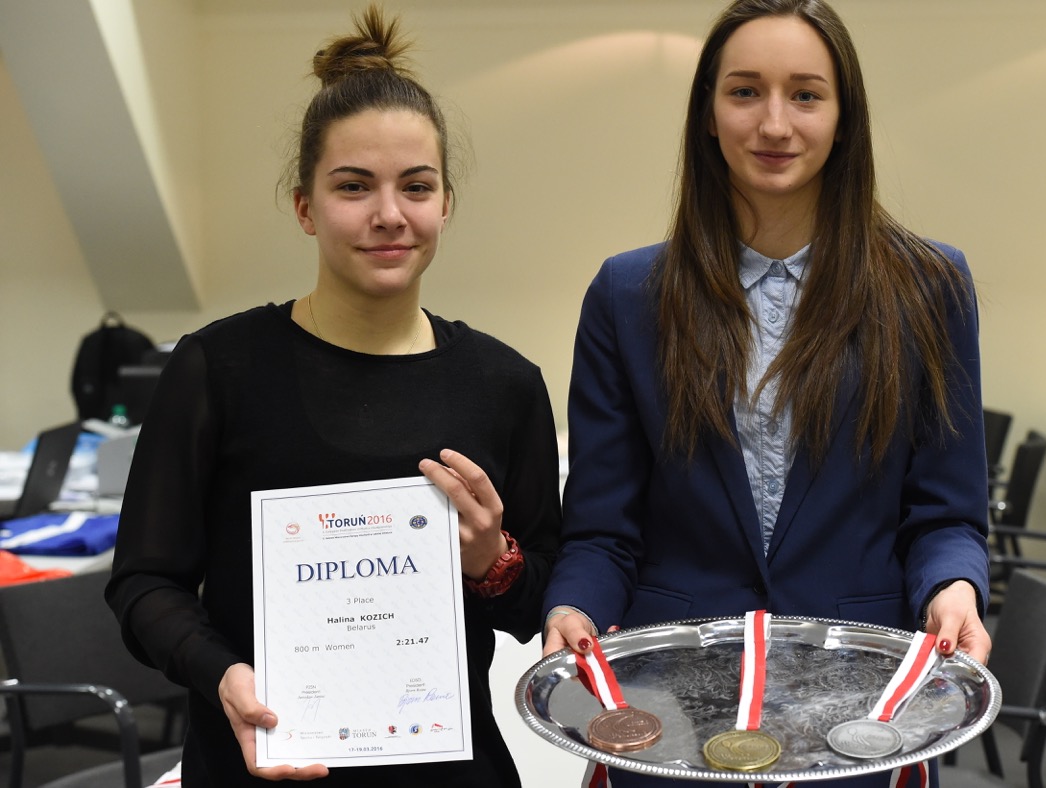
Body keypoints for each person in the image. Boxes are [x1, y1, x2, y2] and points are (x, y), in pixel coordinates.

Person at [105, 7, 560, 786]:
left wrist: (494, 562)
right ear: (304, 207)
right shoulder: (217, 367)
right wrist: (221, 673)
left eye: (416, 186)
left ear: (445, 203)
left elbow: (539, 605)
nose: (389, 215)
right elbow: (144, 583)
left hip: (446, 770)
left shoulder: (506, 384)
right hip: (259, 759)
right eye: (353, 187)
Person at [542, 0, 989, 785]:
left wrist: (954, 586)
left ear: (843, 119)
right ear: (707, 115)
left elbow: (944, 513)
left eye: (805, 95)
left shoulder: (928, 285)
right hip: (670, 702)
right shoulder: (628, 294)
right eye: (744, 91)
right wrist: (571, 606)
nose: (774, 123)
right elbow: (602, 530)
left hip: (857, 702)